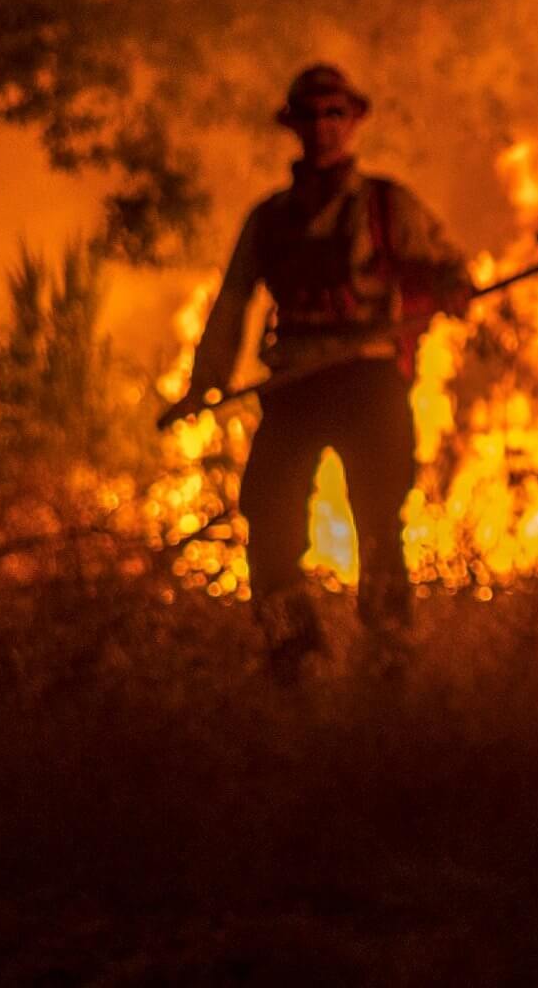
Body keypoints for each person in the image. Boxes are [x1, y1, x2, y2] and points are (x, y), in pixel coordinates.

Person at [186, 62, 475, 677]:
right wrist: (205, 379)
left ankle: (388, 651)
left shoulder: (388, 206)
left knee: (378, 517)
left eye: (334, 114)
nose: (322, 128)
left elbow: (446, 264)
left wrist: (452, 287)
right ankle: (293, 653)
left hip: (368, 378)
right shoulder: (268, 219)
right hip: (295, 384)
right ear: (292, 125)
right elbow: (234, 299)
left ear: (354, 121)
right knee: (267, 512)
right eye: (311, 116)